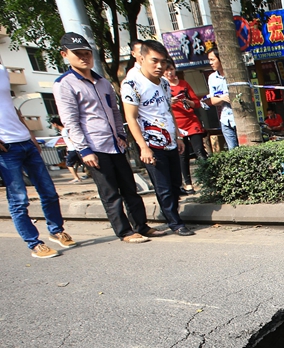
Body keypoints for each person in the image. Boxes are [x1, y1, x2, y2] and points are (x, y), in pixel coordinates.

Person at [53, 32, 164, 244]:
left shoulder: (102, 82)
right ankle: (124, 232)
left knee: (130, 188)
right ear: (65, 55)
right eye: (78, 54)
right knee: (110, 193)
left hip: (115, 144)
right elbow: (70, 120)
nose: (84, 58)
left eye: (87, 53)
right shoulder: (64, 84)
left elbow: (114, 111)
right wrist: (84, 150)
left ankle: (141, 225)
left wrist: (122, 135)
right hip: (94, 148)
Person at [0, 63, 75, 258]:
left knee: (49, 192)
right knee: (18, 199)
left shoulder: (1, 70)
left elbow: (11, 107)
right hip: (5, 148)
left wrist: (30, 132)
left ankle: (56, 230)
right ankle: (34, 243)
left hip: (25, 141)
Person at [122, 39, 194, 236]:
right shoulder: (132, 84)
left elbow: (168, 111)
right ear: (142, 58)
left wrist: (178, 136)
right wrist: (143, 147)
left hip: (170, 139)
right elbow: (131, 117)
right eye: (155, 61)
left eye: (163, 61)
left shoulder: (163, 83)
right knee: (163, 187)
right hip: (152, 143)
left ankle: (172, 215)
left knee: (174, 183)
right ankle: (175, 222)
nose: (160, 66)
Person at [163, 60, 206, 194]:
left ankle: (208, 179)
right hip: (177, 125)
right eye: (167, 70)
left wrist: (187, 101)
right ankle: (188, 184)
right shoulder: (162, 86)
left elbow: (197, 103)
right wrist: (170, 102)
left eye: (171, 69)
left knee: (200, 152)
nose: (169, 73)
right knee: (183, 155)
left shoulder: (184, 84)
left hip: (191, 122)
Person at [206, 47, 238, 149]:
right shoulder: (212, 78)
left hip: (240, 118)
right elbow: (213, 100)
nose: (210, 63)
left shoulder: (235, 73)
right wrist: (222, 98)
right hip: (225, 119)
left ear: (221, 59)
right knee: (232, 150)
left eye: (212, 59)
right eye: (209, 60)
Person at [49, 116, 86, 183]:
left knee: (69, 164)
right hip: (73, 148)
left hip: (73, 149)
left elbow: (71, 139)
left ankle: (76, 177)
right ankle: (79, 176)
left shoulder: (64, 131)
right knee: (78, 163)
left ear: (55, 124)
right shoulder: (64, 130)